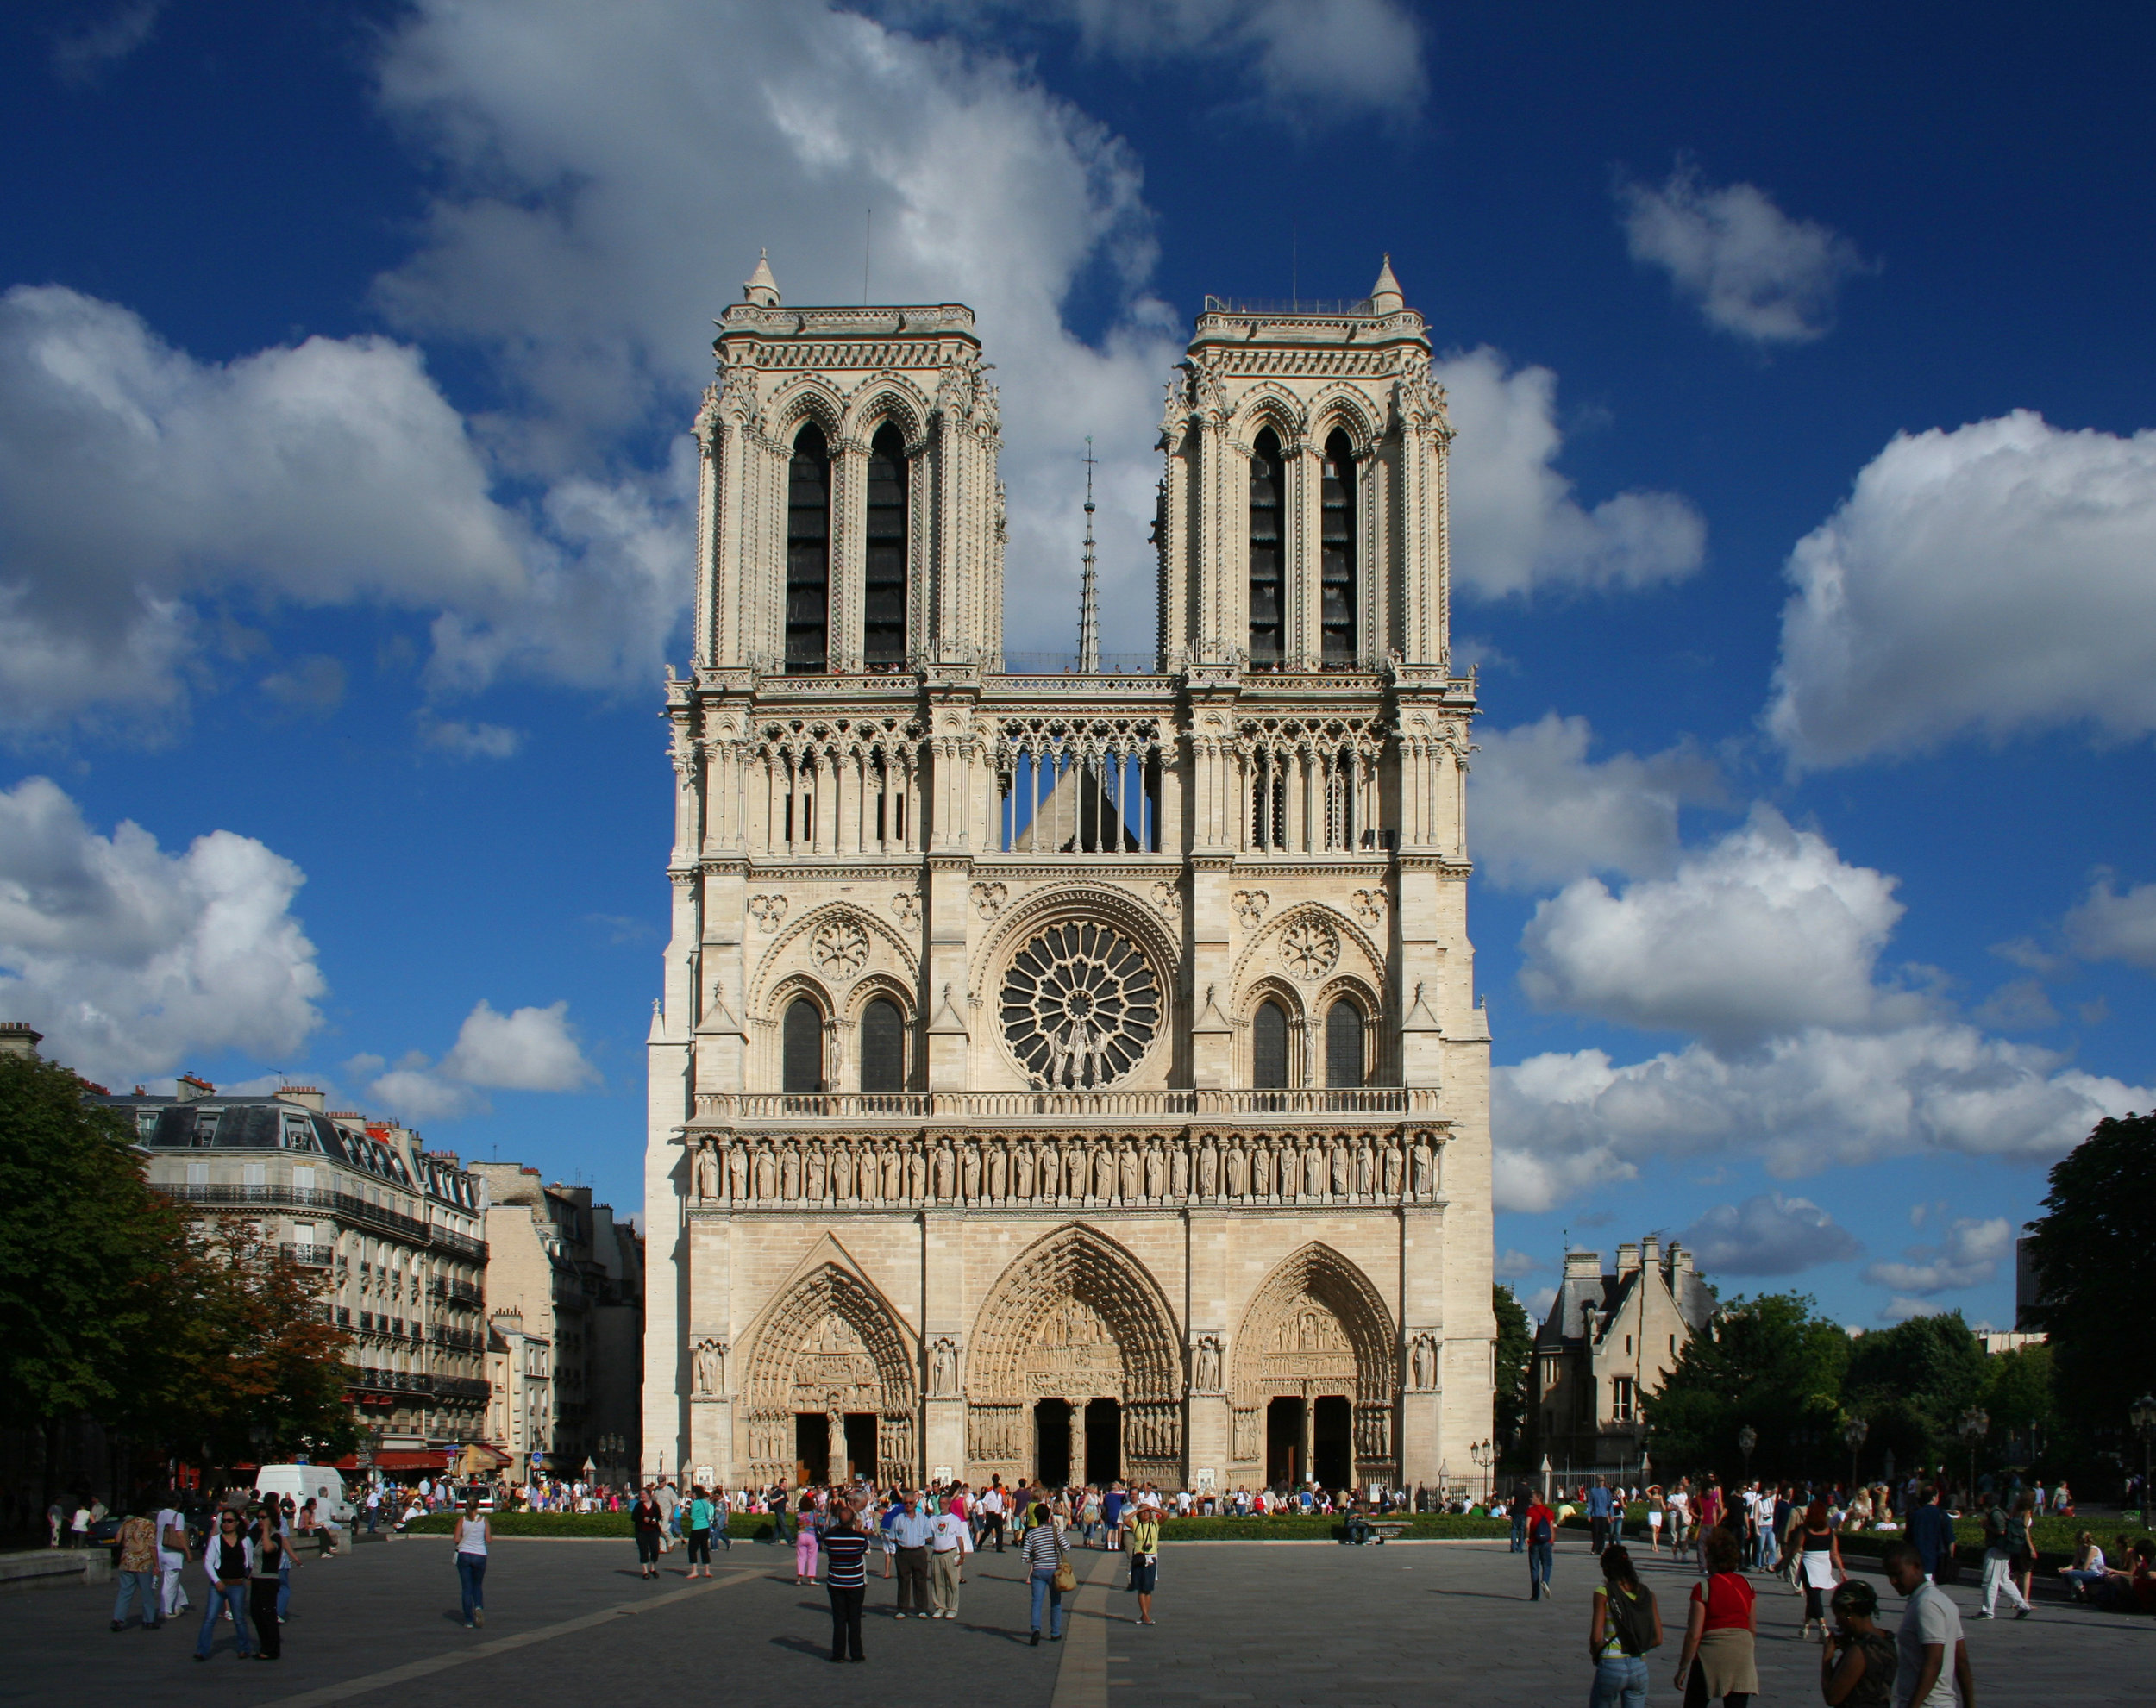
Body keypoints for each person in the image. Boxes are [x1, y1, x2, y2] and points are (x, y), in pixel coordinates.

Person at [1674, 1528, 1758, 1708]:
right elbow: (1752, 1628)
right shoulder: (1747, 1584)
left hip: (1710, 1654)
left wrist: (1683, 1667)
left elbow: (1694, 1634)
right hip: (1742, 1652)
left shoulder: (1703, 1588)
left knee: (1695, 1703)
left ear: (1712, 1559)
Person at [1883, 1541, 1971, 1708]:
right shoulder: (1941, 1601)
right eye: (1889, 1576)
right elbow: (1961, 1661)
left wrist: (1913, 1706)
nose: (1893, 1581)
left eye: (1898, 1574)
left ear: (1917, 1567)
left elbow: (1934, 1661)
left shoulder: (1926, 1605)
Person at [1587, 1541, 1661, 1708]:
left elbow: (1596, 1637)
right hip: (1639, 1667)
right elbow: (1658, 1638)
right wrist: (1638, 1646)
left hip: (1611, 1665)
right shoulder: (1647, 1594)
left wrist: (1595, 1652)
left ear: (1607, 1570)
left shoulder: (1603, 1593)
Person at [1820, 1580, 1896, 1708]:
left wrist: (1827, 1658)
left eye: (1838, 1615)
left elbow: (1832, 1698)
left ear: (1849, 1611)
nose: (1837, 1622)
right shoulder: (1887, 1639)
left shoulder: (1859, 1651)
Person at [193, 1510, 254, 1661]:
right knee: (210, 1618)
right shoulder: (216, 1540)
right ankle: (202, 1650)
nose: (226, 1524)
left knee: (239, 1618)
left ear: (237, 1523)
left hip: (237, 1584)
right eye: (224, 1521)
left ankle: (243, 1648)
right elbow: (208, 1562)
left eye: (229, 1521)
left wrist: (250, 1575)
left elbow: (250, 1561)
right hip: (219, 1584)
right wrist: (217, 1581)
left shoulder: (245, 1541)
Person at [820, 1500, 870, 1662]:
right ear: (854, 1521)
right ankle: (856, 1654)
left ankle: (838, 1654)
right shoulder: (859, 1538)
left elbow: (825, 1540)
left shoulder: (830, 1537)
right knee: (854, 1619)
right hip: (855, 1583)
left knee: (839, 1619)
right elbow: (863, 1549)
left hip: (836, 1583)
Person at [1975, 1488, 2031, 1619]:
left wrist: (1986, 1526)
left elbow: (2001, 1530)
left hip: (1997, 1550)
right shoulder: (1998, 1512)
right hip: (2002, 1550)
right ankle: (2022, 1605)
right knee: (2004, 1580)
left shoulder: (1995, 1514)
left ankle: (1988, 1611)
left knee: (1990, 1580)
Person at [1020, 1501, 1070, 1645]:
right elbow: (1067, 1547)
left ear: (1035, 1517)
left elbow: (1024, 1557)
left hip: (1038, 1571)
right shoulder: (1054, 1531)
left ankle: (1035, 1629)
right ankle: (1055, 1633)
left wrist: (1035, 1558)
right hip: (1054, 1571)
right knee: (1056, 1602)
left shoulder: (1032, 1534)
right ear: (1049, 1517)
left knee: (1036, 1602)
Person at [110, 1501, 161, 1632]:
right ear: (147, 1512)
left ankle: (118, 1619)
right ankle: (149, 1620)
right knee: (147, 1593)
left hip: (126, 1561)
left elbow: (117, 1539)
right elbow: (152, 1546)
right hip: (143, 1563)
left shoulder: (127, 1523)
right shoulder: (149, 1525)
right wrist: (156, 1564)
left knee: (125, 1591)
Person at [1798, 1499, 1845, 1642]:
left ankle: (1823, 1627)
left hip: (1809, 1564)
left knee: (1813, 1596)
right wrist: (1842, 1570)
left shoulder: (1804, 1530)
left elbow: (1797, 1547)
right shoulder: (1830, 1532)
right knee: (1813, 1596)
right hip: (1824, 1564)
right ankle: (1805, 1626)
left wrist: (1785, 1562)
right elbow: (1835, 1553)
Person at [249, 1515, 286, 1661]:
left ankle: (272, 1649)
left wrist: (265, 1530)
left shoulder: (275, 1535)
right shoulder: (257, 1534)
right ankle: (265, 1645)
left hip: (268, 1579)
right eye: (258, 1517)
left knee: (267, 1614)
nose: (260, 1520)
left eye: (264, 1517)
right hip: (256, 1578)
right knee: (256, 1613)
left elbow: (268, 1548)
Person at [929, 1493, 972, 1617]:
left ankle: (952, 1608)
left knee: (952, 1582)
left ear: (948, 1504)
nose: (941, 1505)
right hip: (936, 1553)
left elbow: (960, 1538)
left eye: (943, 1503)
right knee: (938, 1582)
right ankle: (940, 1606)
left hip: (950, 1553)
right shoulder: (933, 1520)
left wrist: (962, 1555)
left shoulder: (954, 1520)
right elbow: (929, 1535)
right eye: (940, 1503)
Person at [454, 1496, 490, 1628]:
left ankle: (469, 1620)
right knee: (477, 1585)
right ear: (478, 1505)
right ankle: (479, 1607)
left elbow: (456, 1539)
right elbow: (489, 1539)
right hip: (480, 1554)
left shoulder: (462, 1520)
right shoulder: (484, 1520)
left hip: (464, 1554)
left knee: (466, 1588)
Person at [155, 1493, 191, 1623]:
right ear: (177, 1503)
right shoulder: (178, 1516)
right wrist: (187, 1551)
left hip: (160, 1551)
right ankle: (165, 1610)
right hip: (173, 1553)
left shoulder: (160, 1514)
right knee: (170, 1582)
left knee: (171, 1580)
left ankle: (178, 1605)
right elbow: (180, 1534)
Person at [1906, 1487, 1953, 1585]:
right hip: (1937, 1560)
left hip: (1917, 1559)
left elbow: (1907, 1538)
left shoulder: (1914, 1515)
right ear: (1935, 1498)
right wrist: (1950, 1558)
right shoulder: (1942, 1515)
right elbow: (1950, 1540)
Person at [1126, 1501, 1161, 1625]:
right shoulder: (1136, 1525)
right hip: (1139, 1557)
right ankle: (1145, 1615)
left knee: (1148, 1588)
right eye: (1143, 1513)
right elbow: (1126, 1520)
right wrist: (1137, 1510)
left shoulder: (1155, 1524)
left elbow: (1166, 1515)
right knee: (1141, 1587)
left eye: (1146, 1512)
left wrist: (1152, 1508)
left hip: (1151, 1558)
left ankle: (1144, 1614)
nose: (1145, 1514)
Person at [1526, 1491, 1557, 1602]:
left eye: (1532, 1497)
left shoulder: (1530, 1511)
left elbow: (1527, 1526)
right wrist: (1551, 1541)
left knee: (1534, 1568)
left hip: (1534, 1542)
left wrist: (1526, 1538)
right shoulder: (1549, 1511)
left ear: (1539, 1498)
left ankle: (1535, 1595)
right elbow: (1551, 1527)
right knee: (1547, 1564)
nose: (1531, 1499)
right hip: (1546, 1542)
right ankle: (1545, 1581)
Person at [2059, 1531, 2107, 1601]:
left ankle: (2084, 1595)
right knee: (2065, 1574)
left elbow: (2085, 1568)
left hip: (2096, 1574)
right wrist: (2064, 1569)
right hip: (2087, 1573)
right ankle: (2074, 1595)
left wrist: (2077, 1569)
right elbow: (2073, 1565)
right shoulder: (2079, 1549)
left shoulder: (2093, 1549)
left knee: (2072, 1574)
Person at [683, 1485, 716, 1579]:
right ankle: (707, 1570)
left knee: (692, 1549)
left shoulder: (695, 1504)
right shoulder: (706, 1502)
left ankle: (694, 1571)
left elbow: (693, 1518)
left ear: (696, 1494)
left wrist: (686, 1515)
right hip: (705, 1528)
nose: (691, 1495)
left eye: (692, 1493)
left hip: (697, 1528)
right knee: (704, 1549)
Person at [632, 1486, 664, 1579]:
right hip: (641, 1531)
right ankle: (645, 1571)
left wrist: (655, 1519)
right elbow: (633, 1517)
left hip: (654, 1530)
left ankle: (652, 1568)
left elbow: (659, 1515)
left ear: (649, 1495)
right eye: (641, 1495)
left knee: (655, 1549)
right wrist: (643, 1519)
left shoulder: (655, 1505)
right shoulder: (639, 1505)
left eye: (644, 1495)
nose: (642, 1497)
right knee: (643, 1550)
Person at [794, 1489, 822, 1586]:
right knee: (812, 1557)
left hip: (801, 1535)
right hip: (811, 1536)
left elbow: (796, 1525)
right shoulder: (813, 1513)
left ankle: (799, 1578)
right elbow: (818, 1523)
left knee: (801, 1558)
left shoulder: (799, 1514)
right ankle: (811, 1578)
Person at [1587, 1477, 1615, 1555]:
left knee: (1602, 1532)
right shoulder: (1593, 1491)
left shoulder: (1606, 1491)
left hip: (1603, 1514)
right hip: (1595, 1514)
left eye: (1602, 1481)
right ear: (1597, 1481)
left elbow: (1610, 1504)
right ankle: (1595, 1548)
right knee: (1595, 1531)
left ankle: (1601, 1549)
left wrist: (1611, 1514)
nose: (1601, 1482)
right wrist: (1589, 1514)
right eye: (1599, 1481)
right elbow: (1590, 1503)